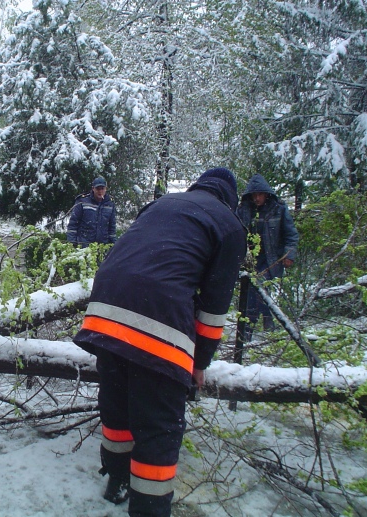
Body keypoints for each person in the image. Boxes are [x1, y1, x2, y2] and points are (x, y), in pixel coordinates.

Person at [73, 168, 247, 517]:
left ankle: (117, 481)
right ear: (231, 199)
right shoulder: (229, 226)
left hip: (104, 310)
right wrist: (199, 363)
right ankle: (149, 509)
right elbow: (214, 309)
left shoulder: (162, 204)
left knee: (117, 404)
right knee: (158, 427)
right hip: (158, 316)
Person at [236, 174, 299, 332]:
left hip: (271, 259)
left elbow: (291, 235)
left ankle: (253, 327)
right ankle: (257, 325)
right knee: (253, 291)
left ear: (266, 194)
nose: (257, 198)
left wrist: (289, 255)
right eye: (254, 195)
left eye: (260, 194)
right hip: (249, 260)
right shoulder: (243, 210)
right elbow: (234, 233)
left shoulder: (279, 209)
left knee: (259, 289)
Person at [66, 176, 117, 246]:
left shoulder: (110, 204)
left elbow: (112, 227)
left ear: (106, 189)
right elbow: (73, 224)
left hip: (102, 247)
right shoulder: (82, 201)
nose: (100, 191)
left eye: (102, 188)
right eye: (97, 189)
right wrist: (71, 244)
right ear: (93, 188)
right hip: (84, 246)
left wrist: (113, 245)